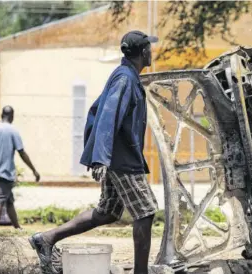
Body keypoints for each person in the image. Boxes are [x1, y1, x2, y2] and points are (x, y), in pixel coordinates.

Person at [29, 30, 159, 274]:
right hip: (122, 161)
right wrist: (101, 157)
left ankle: (46, 239)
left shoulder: (125, 75)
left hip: (116, 158)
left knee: (107, 212)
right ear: (143, 52)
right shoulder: (125, 79)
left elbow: (95, 111)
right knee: (146, 211)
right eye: (149, 48)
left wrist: (101, 155)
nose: (152, 51)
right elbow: (108, 116)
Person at [0, 105, 41, 229]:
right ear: (12, 116)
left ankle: (17, 227)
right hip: (6, 172)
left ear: (1, 115)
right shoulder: (13, 131)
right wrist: (34, 170)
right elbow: (22, 152)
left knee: (9, 200)